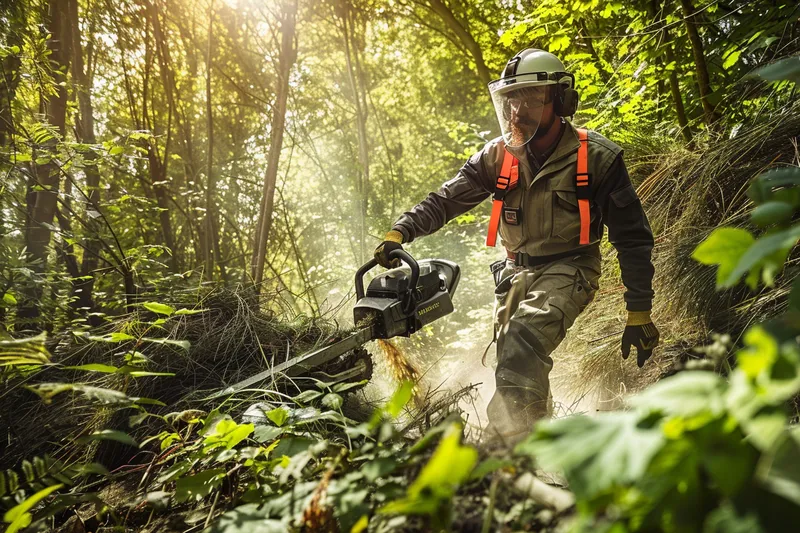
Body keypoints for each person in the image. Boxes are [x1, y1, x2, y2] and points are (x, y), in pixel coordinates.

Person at [374, 49, 659, 446]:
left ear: (560, 100)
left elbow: (632, 238)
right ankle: (543, 444)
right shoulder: (497, 155)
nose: (516, 111)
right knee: (513, 356)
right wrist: (400, 232)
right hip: (513, 271)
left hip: (570, 267)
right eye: (511, 99)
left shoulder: (597, 157)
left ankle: (500, 454)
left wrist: (639, 310)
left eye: (528, 98)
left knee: (522, 341)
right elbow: (445, 200)